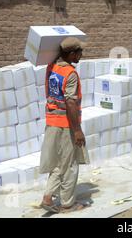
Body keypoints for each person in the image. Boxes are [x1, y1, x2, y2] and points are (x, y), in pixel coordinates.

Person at [39, 37, 88, 213]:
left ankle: (47, 196)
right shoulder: (71, 74)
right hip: (66, 125)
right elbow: (70, 103)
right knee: (70, 165)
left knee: (58, 163)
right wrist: (77, 131)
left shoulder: (51, 68)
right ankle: (67, 204)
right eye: (79, 52)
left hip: (51, 121)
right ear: (72, 53)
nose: (82, 55)